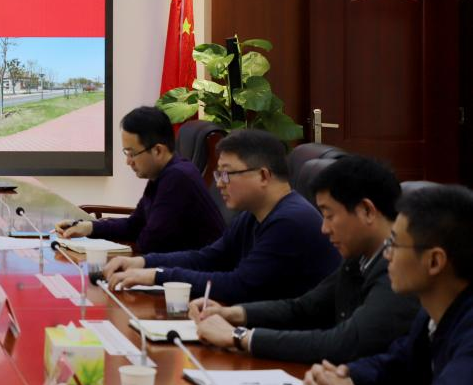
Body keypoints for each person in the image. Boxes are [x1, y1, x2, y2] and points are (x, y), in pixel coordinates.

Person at [190, 155, 418, 363]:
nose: (324, 228)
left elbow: (345, 342)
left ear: (367, 211)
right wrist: (233, 314)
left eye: (329, 215)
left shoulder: (400, 271)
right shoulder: (359, 258)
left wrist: (239, 336)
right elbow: (303, 309)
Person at [303, 184, 473, 385]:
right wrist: (342, 375)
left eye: (393, 243)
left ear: (434, 261)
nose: (387, 254)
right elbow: (398, 364)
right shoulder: (431, 313)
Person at [103, 129, 339, 303]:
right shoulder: (253, 215)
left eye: (227, 174)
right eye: (218, 175)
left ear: (263, 176)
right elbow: (208, 258)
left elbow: (239, 285)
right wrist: (143, 262)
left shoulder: (290, 222)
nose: (219, 184)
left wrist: (157, 275)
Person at [56, 106, 224, 253]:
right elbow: (134, 225)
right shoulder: (161, 175)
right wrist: (88, 227)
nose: (128, 161)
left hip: (197, 275)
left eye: (132, 153)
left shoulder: (177, 178)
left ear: (158, 151)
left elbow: (149, 242)